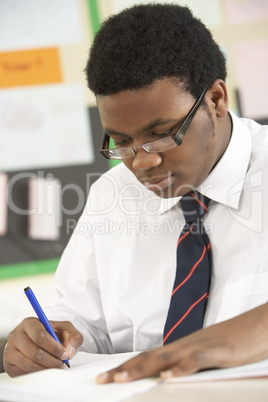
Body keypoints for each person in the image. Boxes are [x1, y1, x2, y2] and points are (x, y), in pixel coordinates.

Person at [3, 4, 268, 383]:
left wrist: (243, 336)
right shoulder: (111, 195)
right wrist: (48, 340)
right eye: (122, 142)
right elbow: (81, 323)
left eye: (161, 135)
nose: (141, 163)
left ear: (216, 99)